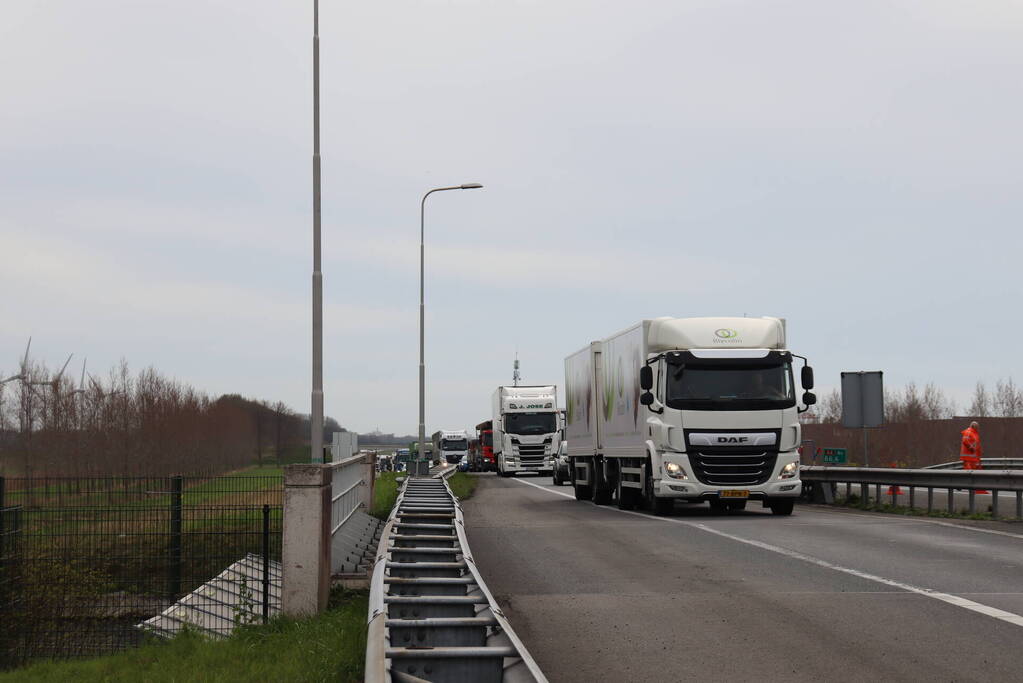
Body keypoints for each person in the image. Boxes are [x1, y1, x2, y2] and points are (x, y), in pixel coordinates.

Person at [960, 421, 988, 494]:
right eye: (977, 427)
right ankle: (959, 485)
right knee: (969, 474)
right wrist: (971, 448)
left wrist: (979, 453)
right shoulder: (969, 432)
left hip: (973, 458)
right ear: (974, 426)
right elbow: (965, 440)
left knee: (973, 474)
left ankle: (974, 488)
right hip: (968, 458)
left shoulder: (974, 433)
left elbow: (976, 445)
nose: (978, 428)